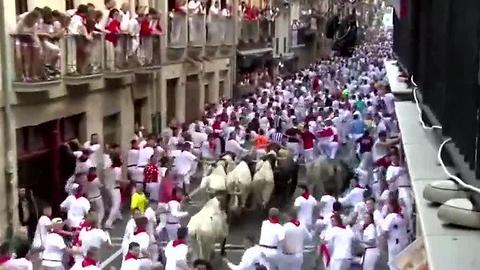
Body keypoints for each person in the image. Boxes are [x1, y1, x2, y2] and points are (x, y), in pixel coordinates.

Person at [382, 198, 409, 270]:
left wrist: (385, 241)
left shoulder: (390, 217)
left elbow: (384, 232)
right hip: (404, 243)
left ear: (391, 205)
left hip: (394, 244)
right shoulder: (402, 215)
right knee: (403, 265)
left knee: (394, 265)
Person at [104, 153, 125, 229]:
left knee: (114, 203)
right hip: (115, 188)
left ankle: (118, 216)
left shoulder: (110, 168)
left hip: (109, 188)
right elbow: (117, 180)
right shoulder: (118, 170)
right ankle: (108, 223)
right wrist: (125, 182)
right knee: (116, 205)